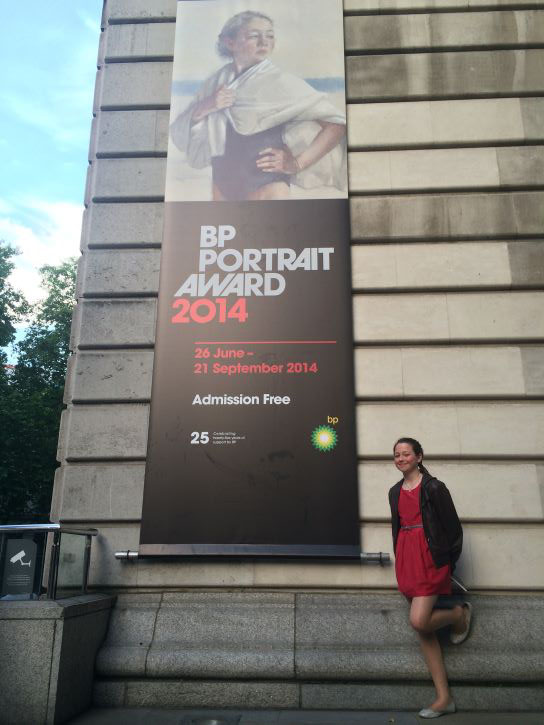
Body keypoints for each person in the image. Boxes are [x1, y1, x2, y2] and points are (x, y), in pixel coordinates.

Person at [170, 10, 346, 201]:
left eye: (270, 35)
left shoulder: (282, 82)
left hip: (268, 183)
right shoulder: (215, 82)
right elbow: (181, 130)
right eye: (254, 36)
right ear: (230, 42)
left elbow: (336, 124)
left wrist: (296, 163)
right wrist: (207, 105)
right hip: (222, 182)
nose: (264, 42)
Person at [388, 437, 473, 719]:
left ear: (419, 457)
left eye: (406, 454)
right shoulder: (394, 491)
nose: (401, 459)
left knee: (419, 620)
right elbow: (398, 528)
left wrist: (447, 565)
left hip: (431, 558)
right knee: (423, 629)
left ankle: (459, 614)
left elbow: (453, 530)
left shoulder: (434, 488)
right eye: (397, 455)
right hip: (407, 558)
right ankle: (444, 697)